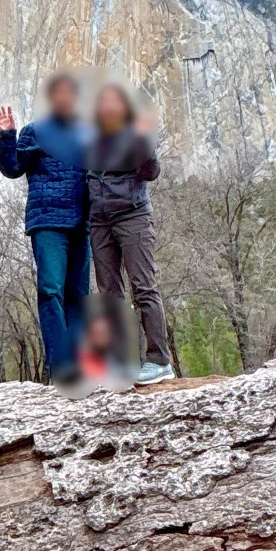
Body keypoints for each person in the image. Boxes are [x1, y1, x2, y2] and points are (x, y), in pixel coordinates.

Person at [0, 74, 90, 386]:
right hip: (47, 221)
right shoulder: (35, 132)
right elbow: (12, 168)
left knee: (79, 296)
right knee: (50, 291)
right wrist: (7, 135)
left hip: (82, 224)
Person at [87, 81, 174, 386]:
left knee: (144, 287)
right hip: (98, 222)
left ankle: (159, 361)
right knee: (109, 293)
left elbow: (150, 172)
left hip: (133, 216)